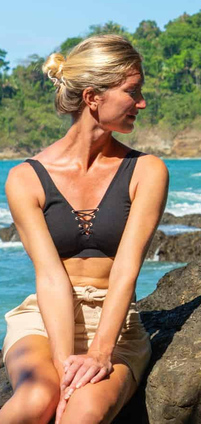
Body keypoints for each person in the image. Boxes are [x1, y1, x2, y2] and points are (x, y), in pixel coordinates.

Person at [0, 34, 168, 423]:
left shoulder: (147, 171)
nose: (141, 103)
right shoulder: (25, 179)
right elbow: (50, 276)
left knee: (84, 410)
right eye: (132, 91)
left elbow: (126, 272)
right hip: (42, 321)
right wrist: (63, 364)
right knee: (37, 399)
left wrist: (99, 353)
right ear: (93, 97)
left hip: (115, 324)